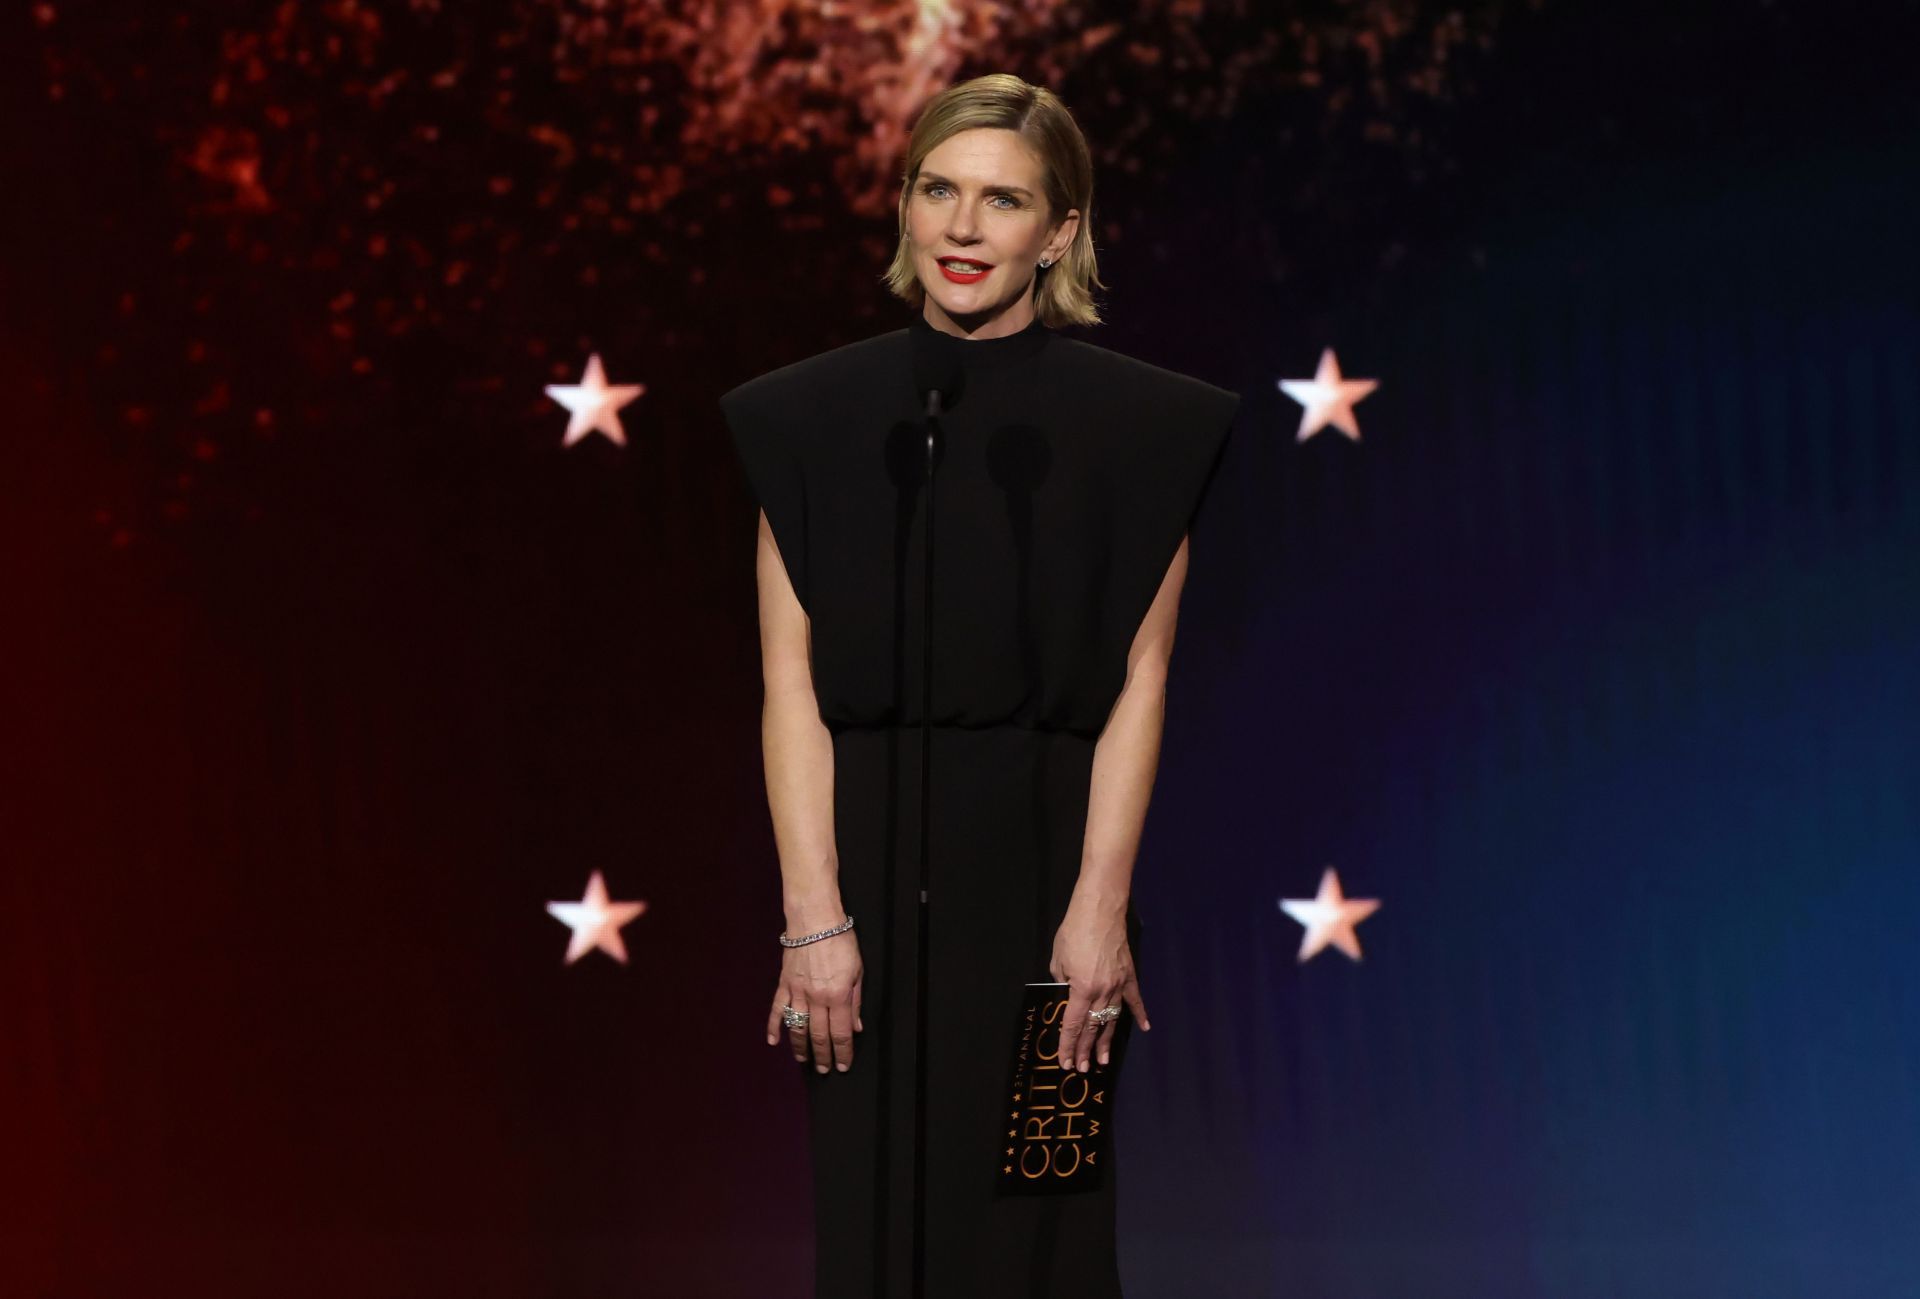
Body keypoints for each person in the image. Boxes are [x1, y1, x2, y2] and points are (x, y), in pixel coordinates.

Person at [720, 72, 1240, 1299]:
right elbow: (789, 684)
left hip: (1048, 890)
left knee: (1041, 1238)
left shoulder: (1145, 429)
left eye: (1003, 200)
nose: (962, 228)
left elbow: (1142, 678)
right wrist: (813, 918)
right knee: (877, 1238)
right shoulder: (806, 420)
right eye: (937, 191)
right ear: (903, 206)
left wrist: (1099, 910)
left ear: (1059, 231)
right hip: (860, 901)